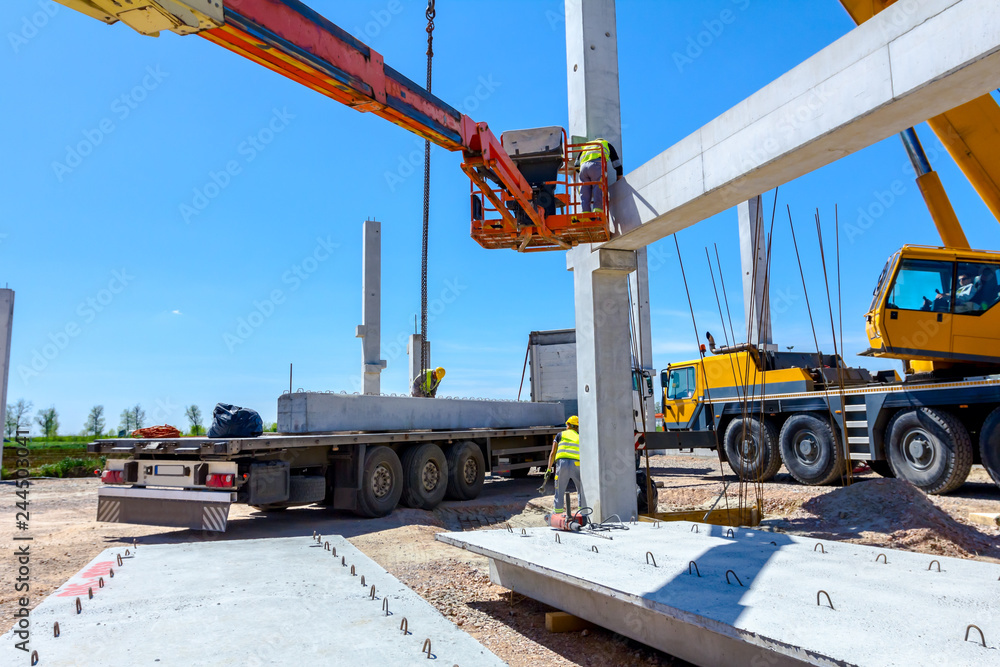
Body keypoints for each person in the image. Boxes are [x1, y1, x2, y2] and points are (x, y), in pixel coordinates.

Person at [546, 415, 587, 514]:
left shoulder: (560, 435)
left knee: (559, 491)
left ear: (568, 425)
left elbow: (553, 453)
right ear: (577, 427)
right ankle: (582, 514)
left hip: (562, 464)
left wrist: (548, 469)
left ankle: (558, 513)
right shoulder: (580, 437)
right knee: (581, 490)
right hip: (577, 464)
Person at [575, 138, 623, 213]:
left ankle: (585, 212)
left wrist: (586, 176)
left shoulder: (586, 146)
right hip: (596, 165)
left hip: (583, 168)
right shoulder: (606, 144)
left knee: (584, 190)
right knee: (598, 187)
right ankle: (597, 209)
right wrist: (619, 180)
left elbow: (576, 165)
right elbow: (617, 165)